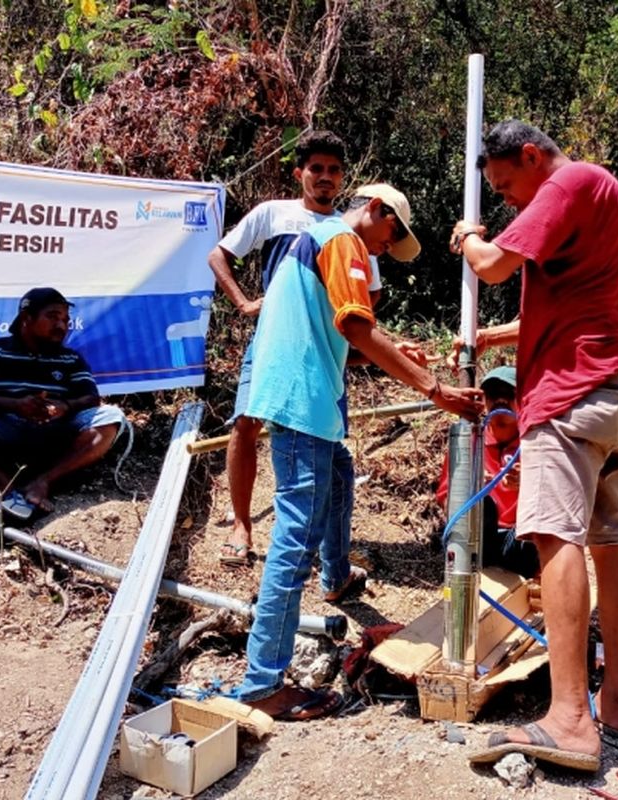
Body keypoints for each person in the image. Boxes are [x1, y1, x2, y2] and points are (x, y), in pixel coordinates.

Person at [234, 183, 482, 720]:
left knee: (339, 479)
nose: (387, 250)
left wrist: (390, 348)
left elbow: (343, 339)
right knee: (294, 543)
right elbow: (353, 325)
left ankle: (337, 576)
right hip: (303, 404)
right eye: (393, 236)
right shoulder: (342, 239)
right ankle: (262, 681)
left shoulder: (317, 241)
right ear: (376, 210)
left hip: (300, 400)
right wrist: (435, 390)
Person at [453, 120, 618, 771]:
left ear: (533, 157)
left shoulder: (566, 184)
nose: (510, 201)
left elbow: (492, 264)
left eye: (509, 186)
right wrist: (494, 340)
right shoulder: (605, 194)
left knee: (552, 535)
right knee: (608, 539)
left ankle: (569, 718)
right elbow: (572, 304)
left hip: (572, 396)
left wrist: (470, 238)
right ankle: (616, 702)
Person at [208, 130, 383, 567]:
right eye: (317, 169)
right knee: (247, 422)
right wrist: (245, 303)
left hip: (322, 351)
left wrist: (347, 331)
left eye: (334, 170)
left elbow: (369, 293)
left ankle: (325, 550)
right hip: (271, 340)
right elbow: (219, 255)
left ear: (343, 178)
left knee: (325, 438)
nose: (325, 177)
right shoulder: (274, 214)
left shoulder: (348, 230)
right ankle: (242, 525)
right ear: (299, 173)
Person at [0, 287, 125, 520]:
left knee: (111, 418)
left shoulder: (71, 358)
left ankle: (43, 481)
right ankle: (1, 480)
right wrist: (14, 405)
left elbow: (91, 397)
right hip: (1, 428)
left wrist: (65, 407)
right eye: (53, 317)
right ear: (26, 318)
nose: (61, 325)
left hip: (54, 433)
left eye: (65, 320)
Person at [436, 365, 539, 578]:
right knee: (484, 504)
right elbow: (447, 500)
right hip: (479, 541)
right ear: (485, 401)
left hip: (518, 540)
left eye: (509, 394)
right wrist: (469, 488)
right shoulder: (469, 443)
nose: (500, 400)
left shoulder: (537, 443)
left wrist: (528, 484)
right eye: (493, 395)